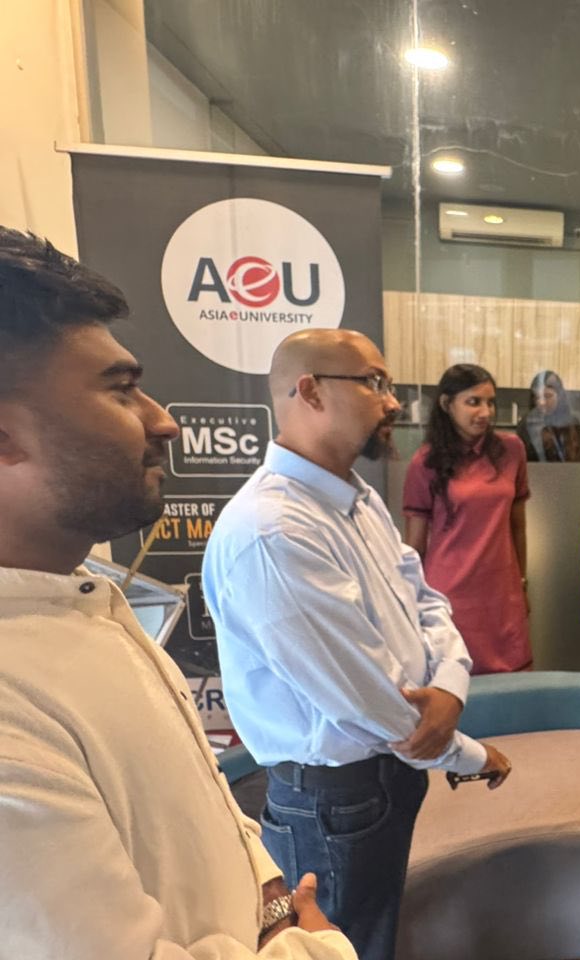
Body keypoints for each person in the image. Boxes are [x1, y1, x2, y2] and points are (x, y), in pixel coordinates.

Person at [0, 227, 353, 959]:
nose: (164, 421)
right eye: (119, 389)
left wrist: (273, 902)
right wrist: (313, 951)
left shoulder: (81, 604)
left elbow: (204, 807)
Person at [203, 331, 511, 960]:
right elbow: (366, 701)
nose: (392, 402)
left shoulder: (355, 497)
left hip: (380, 780)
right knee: (339, 949)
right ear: (310, 391)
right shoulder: (273, 531)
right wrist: (467, 753)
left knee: (371, 936)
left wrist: (449, 689)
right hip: (333, 798)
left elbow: (426, 600)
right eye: (374, 383)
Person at [403, 364, 532, 673]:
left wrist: (522, 583)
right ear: (447, 404)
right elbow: (415, 545)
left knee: (514, 684)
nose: (485, 412)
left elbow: (518, 526)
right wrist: (411, 602)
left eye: (490, 402)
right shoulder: (425, 461)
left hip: (502, 594)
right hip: (450, 596)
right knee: (455, 682)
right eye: (473, 402)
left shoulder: (511, 450)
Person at [516, 369, 580, 463]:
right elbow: (521, 461)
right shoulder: (527, 423)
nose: (541, 402)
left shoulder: (571, 423)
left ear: (559, 396)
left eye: (548, 396)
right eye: (537, 397)